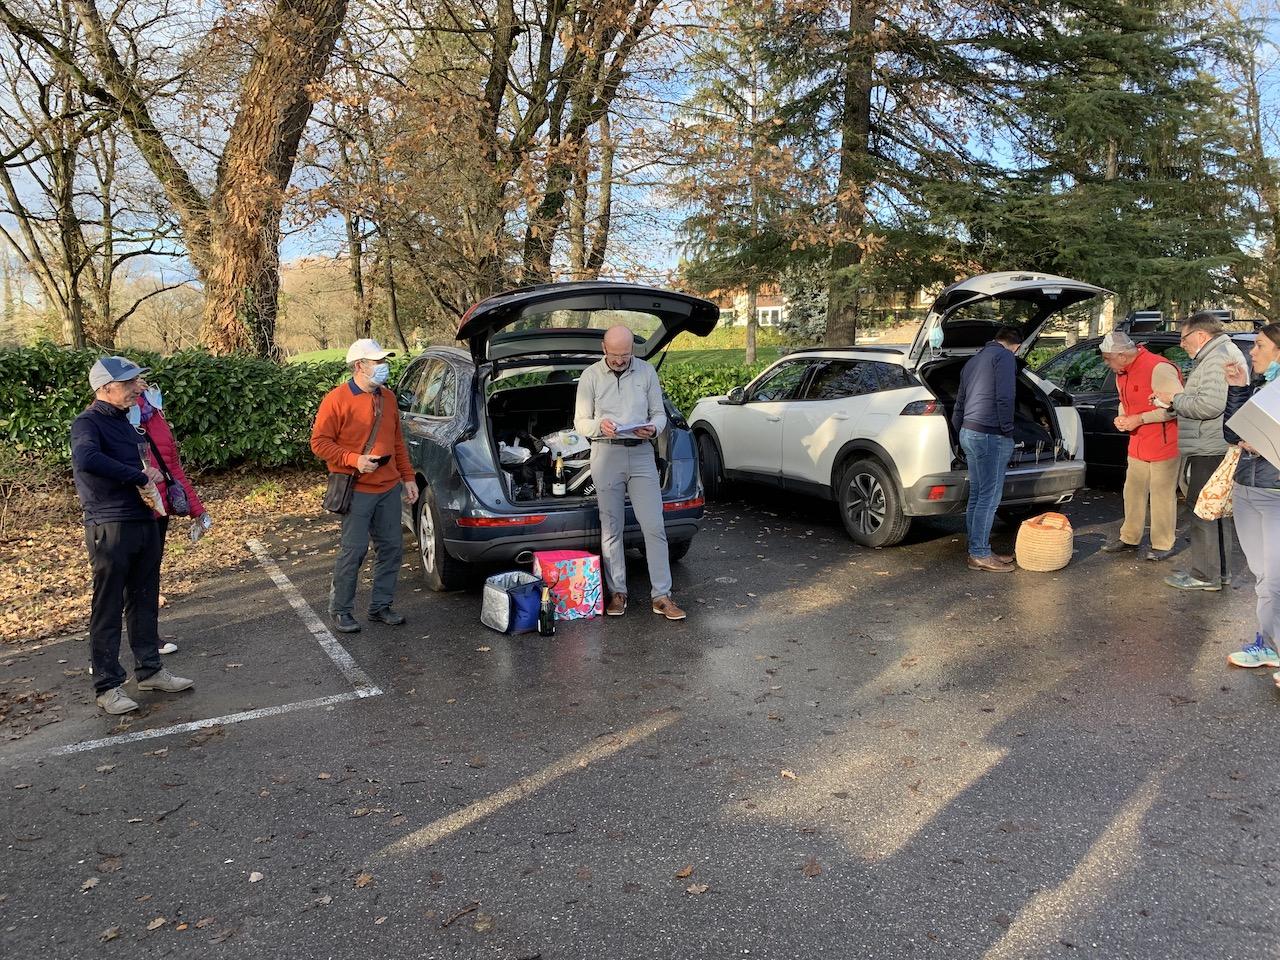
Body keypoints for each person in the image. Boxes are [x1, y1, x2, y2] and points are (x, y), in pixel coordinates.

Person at [71, 356, 195, 715]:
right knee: (107, 605)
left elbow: (143, 464)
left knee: (144, 598)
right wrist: (138, 476)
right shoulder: (87, 423)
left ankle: (150, 670)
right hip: (109, 525)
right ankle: (108, 686)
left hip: (145, 520)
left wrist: (152, 477)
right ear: (105, 388)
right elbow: (87, 458)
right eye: (128, 384)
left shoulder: (129, 423)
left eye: (136, 382)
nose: (136, 388)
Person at [574, 324, 686, 619]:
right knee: (611, 527)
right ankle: (618, 593)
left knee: (654, 526)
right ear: (604, 349)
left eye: (626, 354)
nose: (621, 360)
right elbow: (580, 422)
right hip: (605, 453)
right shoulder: (590, 376)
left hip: (641, 454)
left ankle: (662, 596)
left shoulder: (647, 371)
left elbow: (659, 413)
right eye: (615, 355)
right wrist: (600, 425)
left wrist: (655, 427)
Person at [311, 339, 418, 633]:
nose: (384, 366)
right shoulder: (336, 399)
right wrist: (353, 459)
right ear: (360, 366)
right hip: (356, 488)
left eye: (384, 361)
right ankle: (341, 610)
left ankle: (380, 606)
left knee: (392, 549)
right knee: (353, 551)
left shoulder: (389, 398)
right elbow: (319, 443)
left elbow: (397, 442)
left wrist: (407, 478)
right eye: (378, 362)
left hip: (388, 488)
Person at [1153, 313, 1248, 591]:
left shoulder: (1217, 357)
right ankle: (1219, 573)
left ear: (1201, 336)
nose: (1182, 344)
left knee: (1203, 510)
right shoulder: (1218, 354)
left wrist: (1174, 398)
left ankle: (1205, 575)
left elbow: (1209, 406)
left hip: (1210, 447)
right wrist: (1172, 403)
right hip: (1213, 444)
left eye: (1183, 338)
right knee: (1214, 510)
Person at [132, 379, 211, 655]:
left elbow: (172, 466)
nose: (142, 384)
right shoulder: (108, 419)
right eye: (133, 380)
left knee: (148, 577)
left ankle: (148, 640)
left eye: (140, 379)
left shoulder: (156, 415)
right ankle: (104, 655)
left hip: (159, 508)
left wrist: (196, 508)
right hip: (126, 512)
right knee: (119, 583)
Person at [1222, 324, 1280, 683]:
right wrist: (1239, 389)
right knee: (1263, 577)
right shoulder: (1262, 386)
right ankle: (1268, 645)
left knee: (1274, 578)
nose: (1252, 352)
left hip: (1275, 495)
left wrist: (1269, 444)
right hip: (1246, 488)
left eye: (1259, 345)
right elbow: (1231, 433)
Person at [1097, 331, 1182, 561]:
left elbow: (1176, 406)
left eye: (1108, 359)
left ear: (1122, 355)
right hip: (1137, 441)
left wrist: (1140, 419)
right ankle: (1130, 537)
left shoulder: (1159, 368)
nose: (1106, 364)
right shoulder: (1121, 371)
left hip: (1164, 441)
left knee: (1161, 493)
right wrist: (1122, 417)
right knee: (1132, 491)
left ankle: (1163, 543)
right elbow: (1125, 401)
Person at [952, 325, 1023, 572]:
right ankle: (979, 554)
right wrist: (1007, 430)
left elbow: (959, 403)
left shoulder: (973, 361)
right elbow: (1006, 396)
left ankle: (978, 548)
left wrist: (958, 432)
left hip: (969, 432)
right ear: (1017, 346)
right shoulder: (1004, 357)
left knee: (978, 495)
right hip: (990, 433)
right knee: (989, 497)